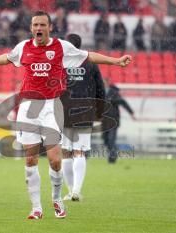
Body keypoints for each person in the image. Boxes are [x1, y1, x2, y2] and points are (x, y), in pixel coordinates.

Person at [0, 11, 132, 220]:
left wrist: (116, 60)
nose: (38, 28)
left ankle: (56, 199)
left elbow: (88, 56)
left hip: (51, 106)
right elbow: (7, 57)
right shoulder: (24, 47)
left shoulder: (61, 47)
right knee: (30, 160)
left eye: (42, 25)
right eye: (35, 25)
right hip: (29, 107)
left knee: (55, 160)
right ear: (31, 28)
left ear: (49, 28)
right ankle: (36, 208)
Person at [61, 34, 105, 201]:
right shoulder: (90, 62)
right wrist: (100, 111)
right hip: (85, 110)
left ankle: (70, 190)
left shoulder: (60, 62)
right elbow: (100, 88)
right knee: (79, 152)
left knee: (66, 152)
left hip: (64, 110)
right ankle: (76, 191)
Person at [101, 78, 135, 163]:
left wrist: (131, 113)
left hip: (113, 120)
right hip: (104, 121)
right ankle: (113, 152)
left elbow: (123, 102)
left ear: (108, 83)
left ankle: (112, 157)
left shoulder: (113, 93)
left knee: (111, 139)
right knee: (105, 139)